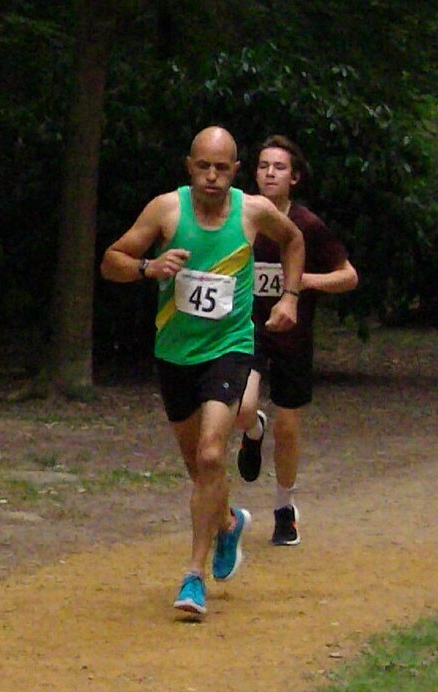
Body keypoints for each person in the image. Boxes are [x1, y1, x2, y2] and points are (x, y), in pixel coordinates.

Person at [99, 126, 304, 617]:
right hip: (175, 354)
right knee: (199, 468)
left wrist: (291, 297)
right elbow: (111, 261)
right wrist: (149, 268)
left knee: (213, 453)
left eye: (222, 168)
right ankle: (229, 523)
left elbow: (294, 240)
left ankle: (194, 575)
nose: (212, 176)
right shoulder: (166, 210)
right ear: (189, 166)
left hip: (230, 348)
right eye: (204, 166)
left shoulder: (253, 211)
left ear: (235, 171)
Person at [235, 135, 358, 545]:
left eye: (279, 167)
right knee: (242, 408)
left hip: (292, 337)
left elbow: (348, 276)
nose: (270, 173)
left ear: (295, 178)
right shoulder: (241, 217)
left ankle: (284, 508)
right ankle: (253, 431)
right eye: (263, 165)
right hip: (248, 330)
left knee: (287, 429)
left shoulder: (307, 226)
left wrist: (302, 281)